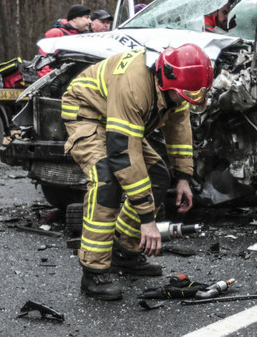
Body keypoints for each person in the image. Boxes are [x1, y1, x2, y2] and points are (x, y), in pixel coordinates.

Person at [64, 43, 211, 300]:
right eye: (184, 94)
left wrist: (183, 177)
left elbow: (178, 128)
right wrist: (147, 220)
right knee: (106, 182)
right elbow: (123, 153)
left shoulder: (177, 85)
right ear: (166, 78)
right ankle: (93, 272)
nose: (186, 100)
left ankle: (125, 251)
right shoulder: (134, 83)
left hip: (118, 118)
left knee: (157, 177)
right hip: (88, 113)